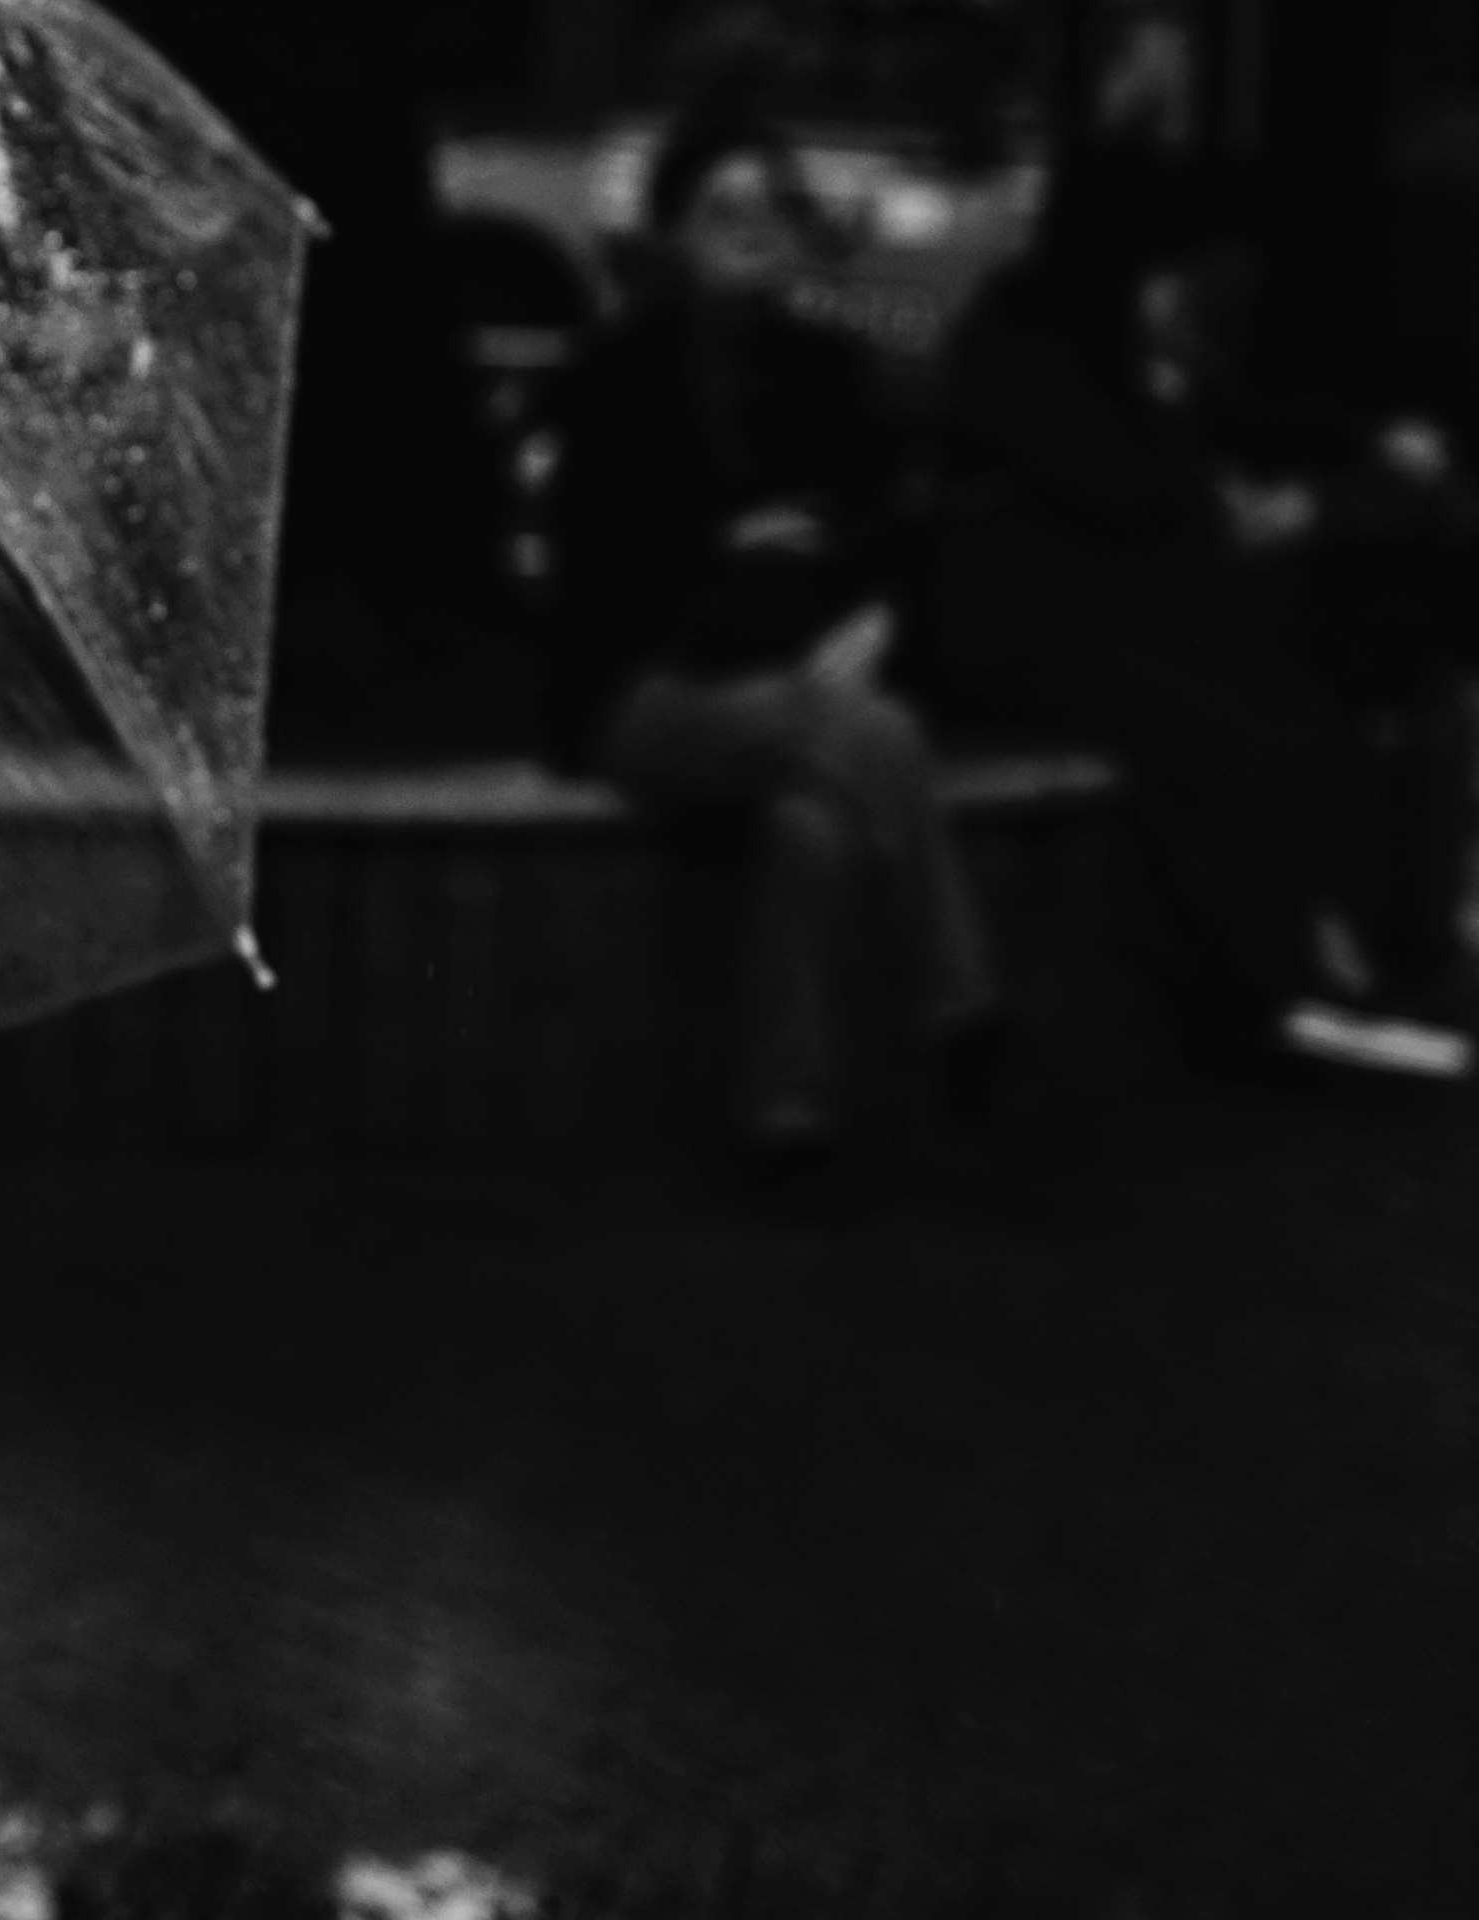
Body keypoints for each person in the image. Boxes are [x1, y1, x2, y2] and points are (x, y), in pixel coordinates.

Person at [548, 104, 1012, 1188]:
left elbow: (887, 539)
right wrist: (725, 544)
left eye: (768, 209)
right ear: (671, 229)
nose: (748, 229)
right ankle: (962, 1001)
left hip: (796, 688)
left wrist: (868, 623)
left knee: (811, 822)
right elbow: (605, 583)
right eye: (722, 209)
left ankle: (786, 1122)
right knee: (868, 733)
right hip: (645, 691)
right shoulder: (619, 376)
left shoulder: (822, 369)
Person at [920, 164, 1471, 1075]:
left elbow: (1243, 427)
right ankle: (1271, 978)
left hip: (1103, 612)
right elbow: (1130, 487)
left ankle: (1334, 954)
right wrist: (1193, 431)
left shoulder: (1114, 346)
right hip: (1024, 629)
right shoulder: (1026, 346)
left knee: (1285, 699)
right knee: (1225, 725)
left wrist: (1354, 449)